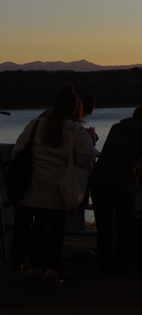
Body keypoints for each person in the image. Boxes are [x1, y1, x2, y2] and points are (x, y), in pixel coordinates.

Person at [11, 85, 97, 287]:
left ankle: (34, 266)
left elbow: (17, 151)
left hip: (33, 187)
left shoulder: (36, 124)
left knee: (38, 227)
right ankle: (51, 269)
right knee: (57, 230)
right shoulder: (74, 129)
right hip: (59, 187)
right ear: (76, 108)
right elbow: (87, 156)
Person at [89, 104, 142, 274]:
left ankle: (105, 262)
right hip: (124, 183)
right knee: (124, 225)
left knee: (104, 226)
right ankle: (122, 261)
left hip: (100, 180)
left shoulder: (117, 127)